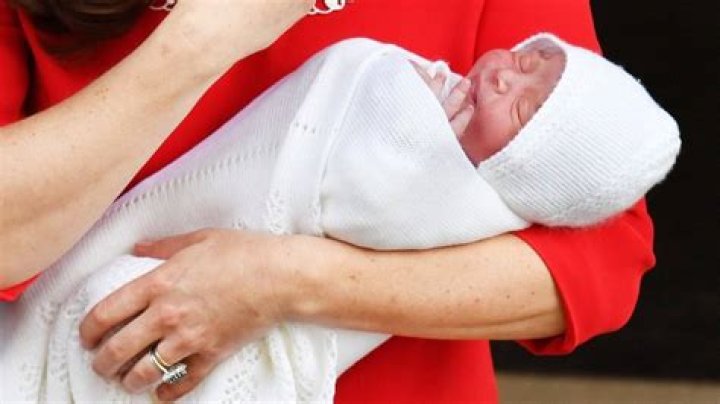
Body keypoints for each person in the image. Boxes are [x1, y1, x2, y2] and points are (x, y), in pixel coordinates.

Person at [0, 0, 664, 402]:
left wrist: (285, 280)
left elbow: (599, 259)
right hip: (89, 349)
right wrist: (202, 39)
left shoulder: (537, 76)